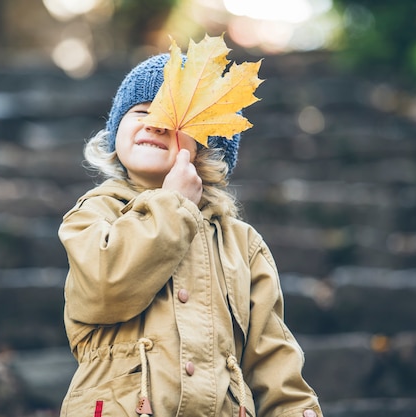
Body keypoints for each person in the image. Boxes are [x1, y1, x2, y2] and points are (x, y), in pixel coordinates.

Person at [58, 51, 323, 417]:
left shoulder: (243, 246)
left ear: (209, 149)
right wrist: (173, 204)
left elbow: (271, 354)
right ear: (116, 129)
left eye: (176, 117)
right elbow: (105, 287)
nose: (156, 123)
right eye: (141, 111)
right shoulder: (93, 215)